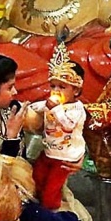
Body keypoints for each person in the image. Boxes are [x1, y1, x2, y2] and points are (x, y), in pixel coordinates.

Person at [0, 52, 95, 221]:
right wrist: (10, 141)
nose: (15, 92)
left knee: (74, 220)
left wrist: (74, 156)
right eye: (10, 87)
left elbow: (61, 129)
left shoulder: (9, 111)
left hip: (31, 197)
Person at [25, 43, 87, 211]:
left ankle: (51, 217)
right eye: (53, 86)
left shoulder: (77, 109)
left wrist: (55, 109)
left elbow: (67, 126)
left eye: (62, 87)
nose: (56, 91)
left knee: (51, 191)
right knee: (35, 178)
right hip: (49, 152)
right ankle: (38, 211)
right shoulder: (52, 103)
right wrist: (27, 109)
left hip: (66, 158)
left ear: (75, 90)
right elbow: (37, 107)